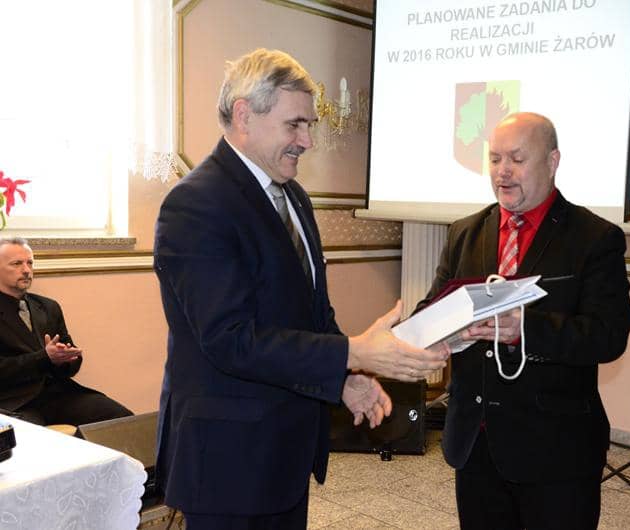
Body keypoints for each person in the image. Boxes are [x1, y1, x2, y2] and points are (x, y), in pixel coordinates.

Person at [153, 48, 448, 529]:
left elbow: (312, 315)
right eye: (294, 125)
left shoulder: (293, 197)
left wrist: (344, 378)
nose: (307, 141)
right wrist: (354, 351)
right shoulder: (196, 205)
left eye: (309, 125)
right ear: (245, 115)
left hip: (284, 455)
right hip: (228, 462)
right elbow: (231, 340)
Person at [415, 113, 630, 529]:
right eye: (495, 159)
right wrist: (431, 329)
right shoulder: (464, 232)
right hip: (476, 444)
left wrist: (524, 330)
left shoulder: (595, 237)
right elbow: (432, 306)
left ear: (552, 162)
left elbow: (608, 336)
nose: (503, 171)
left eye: (517, 159)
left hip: (556, 450)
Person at [0, 237, 132, 425]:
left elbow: (70, 359)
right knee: (32, 438)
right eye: (17, 264)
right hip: (13, 402)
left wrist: (67, 359)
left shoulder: (48, 307)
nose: (26, 270)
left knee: (120, 419)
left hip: (57, 394)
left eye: (30, 263)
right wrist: (45, 358)